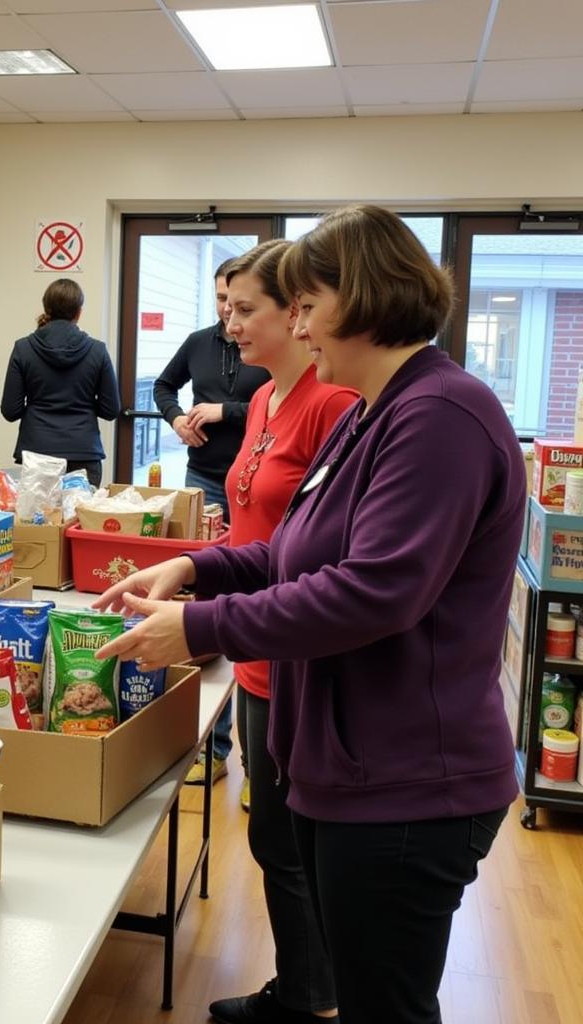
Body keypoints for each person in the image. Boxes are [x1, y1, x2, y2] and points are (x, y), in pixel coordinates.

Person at [94, 204, 523, 1024]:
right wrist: (189, 567)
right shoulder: (370, 410)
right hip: (353, 766)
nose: (296, 325)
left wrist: (198, 627)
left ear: (360, 297)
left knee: (384, 1005)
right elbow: (291, 550)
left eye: (305, 304)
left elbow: (374, 591)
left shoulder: (439, 416)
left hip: (409, 783)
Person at [215, 239, 357, 1022]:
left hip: (294, 651)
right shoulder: (265, 399)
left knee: (295, 846)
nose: (231, 324)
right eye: (225, 308)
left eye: (247, 309)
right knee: (275, 840)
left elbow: (326, 556)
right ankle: (305, 987)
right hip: (252, 652)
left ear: (296, 314)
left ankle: (313, 998)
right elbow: (254, 529)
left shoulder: (333, 404)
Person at [155, 258, 269, 788]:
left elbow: (276, 405)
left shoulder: (265, 348)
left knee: (252, 611)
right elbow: (162, 386)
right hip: (204, 481)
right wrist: (177, 418)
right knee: (209, 604)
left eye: (239, 302)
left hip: (259, 481)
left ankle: (258, 762)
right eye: (223, 299)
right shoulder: (199, 341)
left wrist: (228, 412)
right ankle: (214, 749)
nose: (228, 311)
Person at [0, 278, 120, 488]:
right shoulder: (97, 351)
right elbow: (111, 410)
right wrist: (83, 403)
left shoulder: (23, 349)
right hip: (84, 452)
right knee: (79, 519)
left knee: (39, 519)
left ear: (46, 309)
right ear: (79, 312)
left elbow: (11, 411)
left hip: (38, 453)